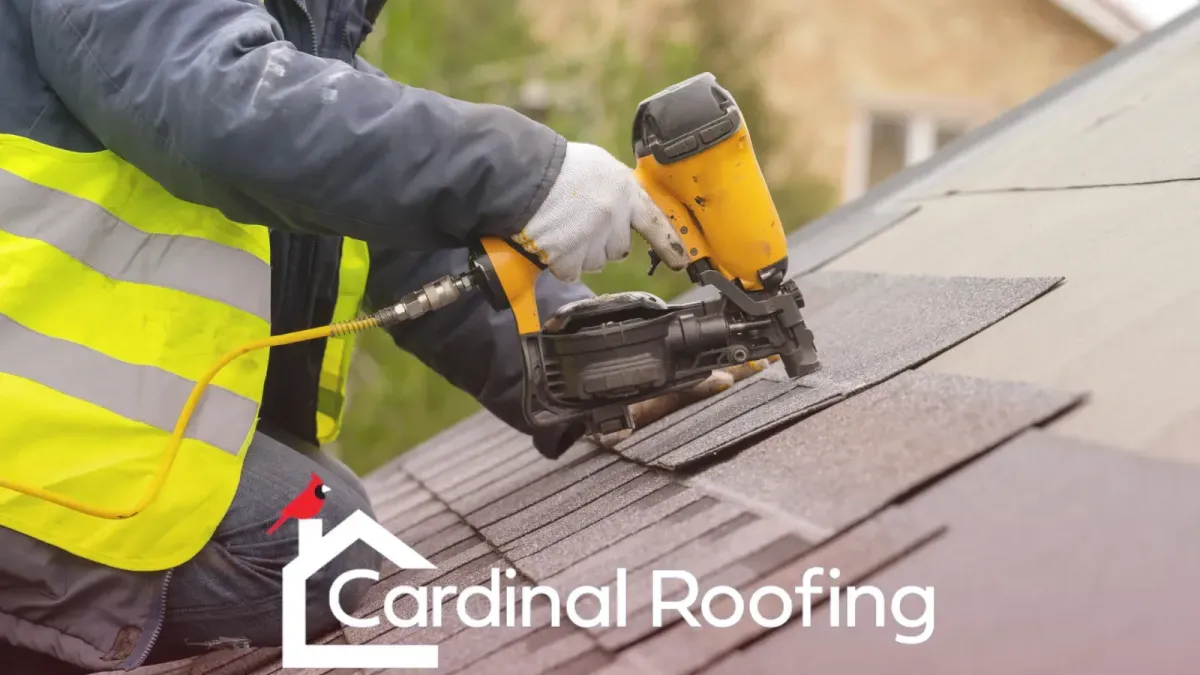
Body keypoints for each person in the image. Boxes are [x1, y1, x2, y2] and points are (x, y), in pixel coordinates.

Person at [0, 0, 745, 672]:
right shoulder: (215, 52)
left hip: (87, 449)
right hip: (27, 472)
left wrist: (589, 360)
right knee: (316, 545)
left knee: (323, 517)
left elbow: (406, 238)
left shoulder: (294, 38)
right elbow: (227, 109)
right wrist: (526, 174)